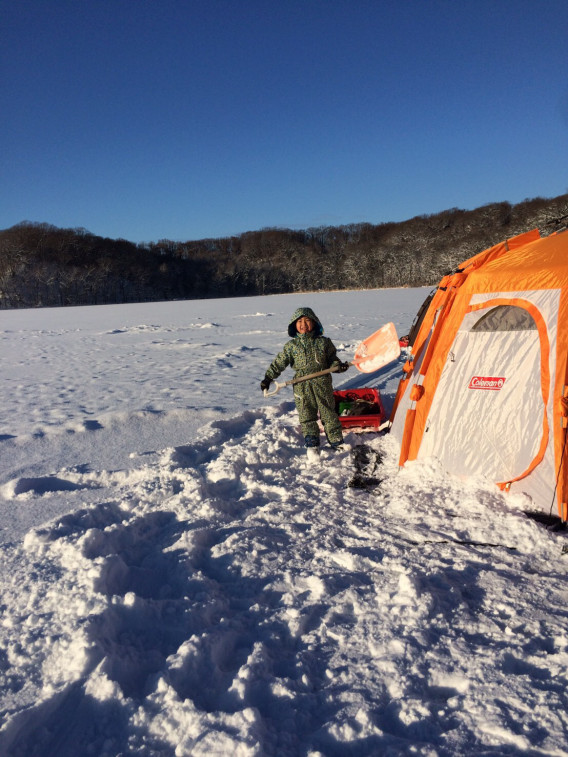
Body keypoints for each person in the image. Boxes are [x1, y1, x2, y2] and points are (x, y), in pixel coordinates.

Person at [260, 307, 349, 457]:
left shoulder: (324, 343)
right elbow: (279, 362)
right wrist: (268, 377)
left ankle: (337, 442)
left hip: (322, 383)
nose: (303, 324)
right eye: (299, 321)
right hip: (302, 386)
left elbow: (333, 360)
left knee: (329, 413)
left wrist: (338, 367)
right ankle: (312, 445)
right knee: (306, 415)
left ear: (314, 323)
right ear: (294, 325)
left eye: (307, 320)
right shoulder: (291, 346)